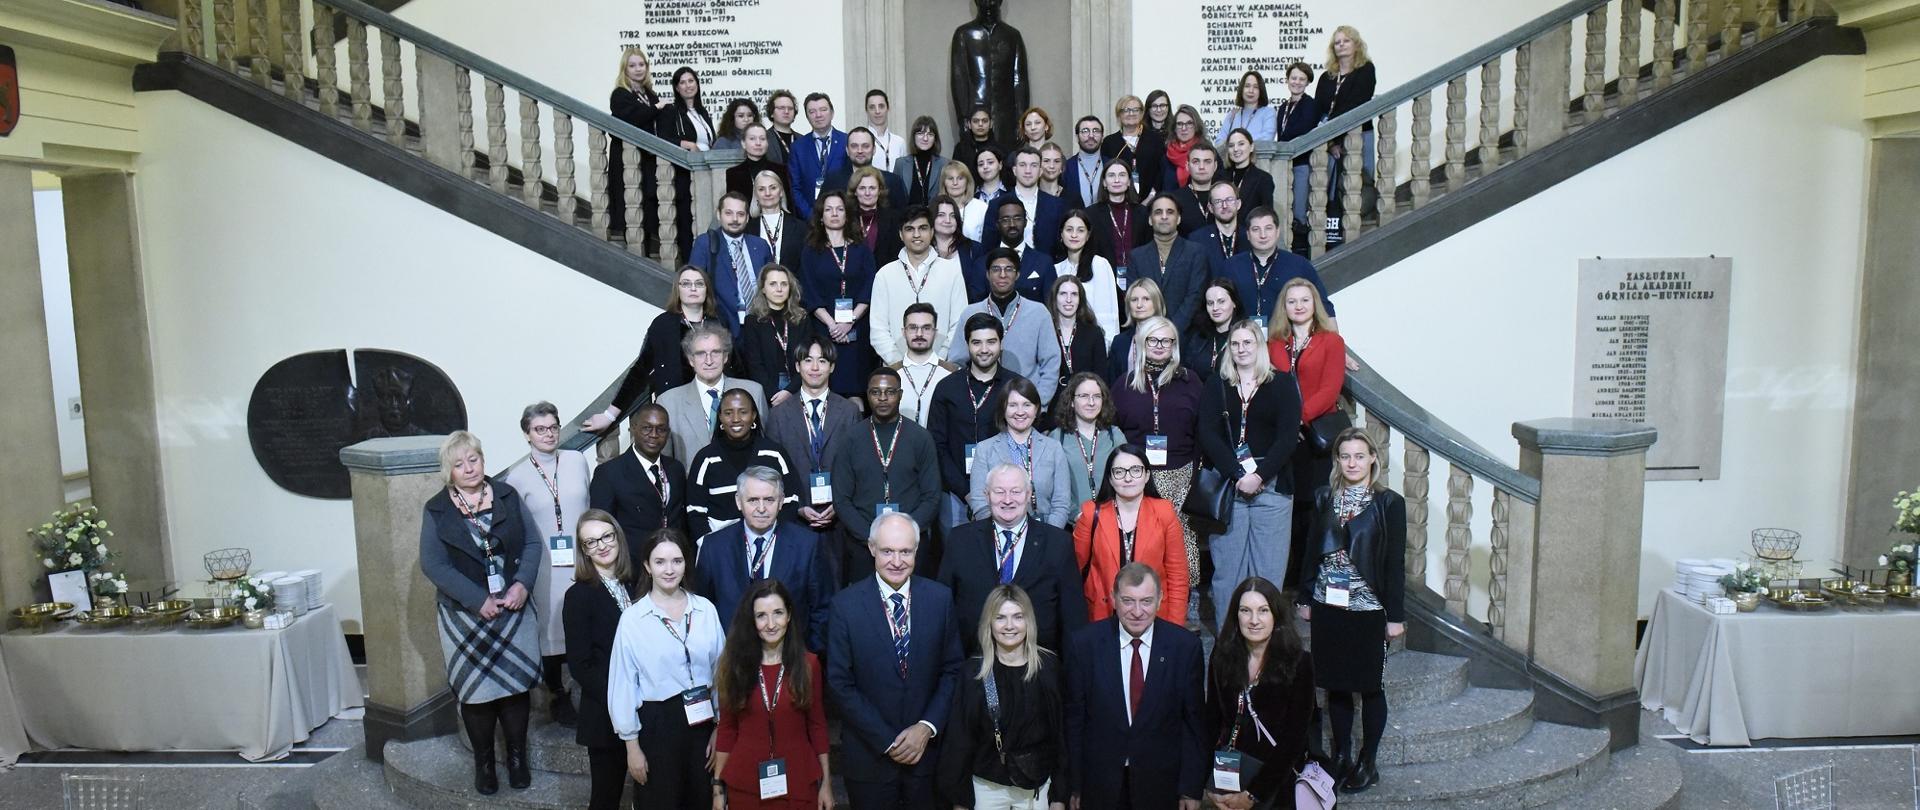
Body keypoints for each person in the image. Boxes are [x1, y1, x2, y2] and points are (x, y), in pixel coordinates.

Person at [421, 431, 541, 793]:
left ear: (482, 460)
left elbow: (533, 543)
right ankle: (484, 763)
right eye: (459, 464)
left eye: (473, 459)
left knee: (516, 687)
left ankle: (517, 758)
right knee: (476, 694)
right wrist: (477, 600)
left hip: (513, 609)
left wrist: (521, 584)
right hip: (465, 617)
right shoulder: (437, 509)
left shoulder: (506, 495)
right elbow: (433, 565)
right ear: (449, 471)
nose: (468, 468)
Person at [827, 513, 965, 809]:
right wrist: (888, 740)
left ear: (917, 551)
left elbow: (953, 669)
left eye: (905, 551)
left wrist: (926, 727)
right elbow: (840, 684)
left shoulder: (939, 599)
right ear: (872, 548)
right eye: (888, 551)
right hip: (869, 759)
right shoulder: (845, 606)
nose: (897, 560)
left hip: (928, 758)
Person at [1296, 428, 1405, 794]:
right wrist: (1306, 596)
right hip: (1329, 604)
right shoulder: (1325, 496)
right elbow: (1312, 549)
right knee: (1336, 686)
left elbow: (1394, 564)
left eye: (1360, 455)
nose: (1353, 462)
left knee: (1370, 687)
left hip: (1369, 607)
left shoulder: (1389, 503)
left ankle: (1368, 761)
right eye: (1346, 456)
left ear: (1373, 458)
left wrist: (1395, 616)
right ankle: (1341, 755)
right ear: (1337, 460)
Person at [1063, 562, 1207, 810]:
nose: (1137, 611)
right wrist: (1074, 785)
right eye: (1128, 601)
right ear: (1113, 598)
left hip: (1162, 788)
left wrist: (1190, 788)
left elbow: (1193, 726)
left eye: (1146, 601)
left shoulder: (1185, 647)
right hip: (1099, 787)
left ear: (1160, 600)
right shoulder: (1084, 645)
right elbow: (1074, 722)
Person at [608, 528, 725, 809]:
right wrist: (631, 746)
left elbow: (721, 672)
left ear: (687, 563)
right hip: (658, 724)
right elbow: (623, 683)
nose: (669, 569)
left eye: (677, 560)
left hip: (702, 723)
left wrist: (720, 726)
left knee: (701, 800)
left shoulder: (705, 609)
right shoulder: (633, 619)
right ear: (647, 566)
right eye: (660, 562)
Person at [1197, 321, 1302, 615]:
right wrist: (1238, 474)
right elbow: (1208, 433)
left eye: (1248, 343)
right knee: (1227, 577)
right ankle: (1229, 652)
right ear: (1228, 349)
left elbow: (1287, 436)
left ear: (1260, 346)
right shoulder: (1216, 384)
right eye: (1235, 344)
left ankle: (1267, 654)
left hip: (1273, 490)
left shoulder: (1281, 383)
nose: (1241, 349)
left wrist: (1259, 476)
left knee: (1268, 577)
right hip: (1229, 490)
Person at [936, 585, 1071, 808]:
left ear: (1029, 621)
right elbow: (959, 741)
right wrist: (959, 801)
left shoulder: (1048, 667)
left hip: (1036, 789)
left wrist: (1059, 796)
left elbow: (1060, 736)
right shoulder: (974, 673)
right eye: (1000, 618)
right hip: (987, 789)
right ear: (989, 623)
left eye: (1018, 617)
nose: (1009, 626)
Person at [1109, 317, 1206, 627]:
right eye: (1153, 341)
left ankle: (1186, 601)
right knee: (1142, 538)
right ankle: (1139, 603)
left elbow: (1201, 430)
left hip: (1182, 472)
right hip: (1137, 478)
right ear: (1141, 343)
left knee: (1182, 536)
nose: (1161, 347)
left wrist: (1195, 474)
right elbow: (1116, 432)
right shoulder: (1123, 384)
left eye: (1167, 341)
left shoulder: (1191, 381)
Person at [502, 402, 590, 727]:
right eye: (540, 429)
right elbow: (516, 529)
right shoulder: (517, 476)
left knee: (584, 622)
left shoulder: (577, 461)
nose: (548, 434)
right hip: (545, 564)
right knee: (552, 627)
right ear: (527, 434)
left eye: (553, 427)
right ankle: (557, 692)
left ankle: (587, 687)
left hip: (581, 557)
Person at [711, 580, 835, 810]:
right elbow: (727, 729)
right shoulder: (734, 666)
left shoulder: (809, 665)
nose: (771, 624)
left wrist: (826, 782)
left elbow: (817, 726)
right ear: (752, 620)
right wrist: (718, 788)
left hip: (798, 782)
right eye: (761, 615)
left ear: (789, 616)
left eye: (778, 613)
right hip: (745, 786)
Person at [943, 466, 1087, 653]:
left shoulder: (1058, 543)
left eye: (1016, 492)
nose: (1008, 500)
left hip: (1038, 663)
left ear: (1028, 495)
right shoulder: (960, 540)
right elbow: (945, 611)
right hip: (975, 661)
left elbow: (1073, 617)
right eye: (999, 492)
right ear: (987, 495)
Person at [694, 466, 834, 651]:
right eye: (753, 500)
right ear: (739, 501)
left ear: (781, 501)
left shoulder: (807, 545)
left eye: (769, 500)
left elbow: (822, 609)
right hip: (731, 660)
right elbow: (702, 610)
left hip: (790, 659)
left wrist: (809, 657)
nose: (761, 508)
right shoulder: (713, 547)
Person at [1207, 576, 1316, 810]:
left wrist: (1254, 794)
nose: (1254, 620)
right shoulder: (1221, 656)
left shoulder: (1298, 663)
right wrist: (1208, 785)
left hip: (1277, 780)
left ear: (1275, 615)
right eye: (1245, 610)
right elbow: (1211, 720)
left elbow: (1295, 738)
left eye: (1263, 611)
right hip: (1230, 772)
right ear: (1236, 616)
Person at [562, 510, 643, 810]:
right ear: (583, 550)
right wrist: (622, 695)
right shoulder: (578, 596)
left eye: (606, 536)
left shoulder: (636, 583)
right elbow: (581, 665)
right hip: (605, 712)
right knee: (605, 799)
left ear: (618, 537)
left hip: (645, 707)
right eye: (591, 542)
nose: (601, 545)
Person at [833, 367, 944, 582]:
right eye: (876, 392)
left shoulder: (921, 438)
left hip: (910, 547)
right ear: (867, 395)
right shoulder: (851, 439)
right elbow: (842, 500)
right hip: (863, 546)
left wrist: (904, 536)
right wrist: (874, 539)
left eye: (890, 392)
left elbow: (932, 497)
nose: (882, 398)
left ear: (900, 395)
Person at [1271, 278, 1346, 587]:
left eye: (1305, 300)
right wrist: (1288, 426)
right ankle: (1289, 581)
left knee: (1316, 511)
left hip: (1315, 441)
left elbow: (1330, 390)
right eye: (1292, 301)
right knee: (1290, 510)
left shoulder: (1331, 341)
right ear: (1284, 307)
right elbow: (1271, 385)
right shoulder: (1275, 343)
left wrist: (1297, 420)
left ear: (1314, 304)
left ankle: (1312, 580)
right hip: (1285, 442)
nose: (1299, 306)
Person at [586, 265, 715, 433]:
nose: (693, 288)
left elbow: (734, 370)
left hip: (712, 408)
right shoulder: (663, 325)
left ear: (706, 290)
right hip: (674, 411)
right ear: (678, 289)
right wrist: (609, 415)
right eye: (686, 283)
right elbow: (640, 370)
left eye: (699, 283)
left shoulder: (717, 324)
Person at [1071, 446, 1188, 623]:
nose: (1128, 478)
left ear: (1147, 475)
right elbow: (1074, 571)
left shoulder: (1164, 512)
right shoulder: (1091, 514)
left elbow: (1178, 576)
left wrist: (1175, 626)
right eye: (1119, 472)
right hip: (1103, 616)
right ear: (1110, 478)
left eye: (1135, 470)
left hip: (1154, 616)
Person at [929, 313, 1020, 535]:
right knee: (957, 556)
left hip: (1005, 493)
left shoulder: (1015, 386)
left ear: (1000, 342)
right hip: (955, 492)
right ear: (967, 344)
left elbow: (1022, 441)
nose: (984, 349)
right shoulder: (947, 387)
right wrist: (966, 492)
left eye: (991, 342)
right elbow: (936, 445)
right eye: (976, 342)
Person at [764, 336, 859, 534]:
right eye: (808, 360)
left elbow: (857, 465)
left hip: (841, 518)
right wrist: (797, 505)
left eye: (822, 361)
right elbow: (772, 470)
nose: (815, 367)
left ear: (832, 367)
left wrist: (841, 503)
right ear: (797, 366)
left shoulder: (850, 411)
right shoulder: (778, 414)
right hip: (794, 518)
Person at [946, 248, 1061, 402]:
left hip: (1025, 404)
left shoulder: (1039, 313)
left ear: (1018, 274)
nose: (1002, 275)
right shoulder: (970, 313)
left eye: (1009, 269)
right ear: (987, 274)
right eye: (996, 269)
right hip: (979, 402)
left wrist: (1037, 403)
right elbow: (957, 362)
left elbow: (1051, 364)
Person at [687, 389, 804, 536]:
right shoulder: (706, 458)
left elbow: (790, 500)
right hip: (720, 548)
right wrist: (709, 546)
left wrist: (777, 540)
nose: (736, 419)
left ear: (754, 415)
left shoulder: (774, 454)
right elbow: (695, 510)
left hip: (771, 543)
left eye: (743, 412)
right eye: (728, 413)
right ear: (720, 417)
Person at [799, 190, 879, 398]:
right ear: (821, 216)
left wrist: (850, 321)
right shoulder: (810, 250)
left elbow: (870, 286)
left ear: (847, 214)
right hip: (824, 331)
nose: (834, 213)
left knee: (857, 393)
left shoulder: (861, 248)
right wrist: (833, 325)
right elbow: (809, 291)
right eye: (828, 209)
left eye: (839, 209)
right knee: (827, 391)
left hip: (857, 329)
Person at [966, 377, 1075, 527]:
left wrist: (1049, 536)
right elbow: (979, 502)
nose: (1020, 412)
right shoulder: (985, 450)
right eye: (1013, 405)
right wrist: (1000, 532)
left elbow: (1061, 503)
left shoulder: (1053, 448)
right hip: (998, 536)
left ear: (1036, 409)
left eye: (1027, 405)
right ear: (1003, 409)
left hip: (1045, 535)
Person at [655, 323, 769, 461]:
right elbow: (665, 462)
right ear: (691, 360)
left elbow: (765, 448)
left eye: (715, 352)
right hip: (691, 481)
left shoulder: (753, 391)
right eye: (701, 354)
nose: (709, 361)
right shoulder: (668, 401)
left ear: (725, 356)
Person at [872, 205, 969, 366]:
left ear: (932, 232)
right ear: (901, 235)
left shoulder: (952, 271)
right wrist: (900, 363)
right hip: (896, 369)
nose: (916, 235)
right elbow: (878, 329)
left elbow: (959, 323)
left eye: (922, 228)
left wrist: (939, 360)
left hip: (943, 367)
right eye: (910, 229)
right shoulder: (884, 274)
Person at [589, 404, 692, 546]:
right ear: (633, 428)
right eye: (647, 428)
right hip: (633, 562)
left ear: (667, 433)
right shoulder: (609, 473)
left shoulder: (676, 469)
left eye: (661, 429)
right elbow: (601, 528)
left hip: (672, 560)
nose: (654, 435)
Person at [1219, 208, 1335, 333]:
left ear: (1277, 231)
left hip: (1288, 343)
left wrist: (1336, 344)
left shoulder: (1299, 265)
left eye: (1268, 228)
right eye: (1256, 229)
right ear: (1248, 234)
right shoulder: (1230, 267)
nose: (1263, 235)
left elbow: (1323, 307)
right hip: (1242, 344)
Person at [687, 192, 776, 335]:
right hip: (721, 327)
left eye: (740, 214)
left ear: (747, 218)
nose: (735, 219)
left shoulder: (760, 245)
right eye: (728, 213)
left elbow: (773, 283)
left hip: (760, 325)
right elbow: (694, 285)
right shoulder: (706, 243)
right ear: (719, 214)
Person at [1048, 372, 1128, 524]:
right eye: (1084, 396)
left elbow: (1126, 480)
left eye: (1097, 396)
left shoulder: (1114, 436)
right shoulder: (1057, 438)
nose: (1091, 402)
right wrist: (1075, 515)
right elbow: (1052, 486)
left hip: (1112, 521)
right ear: (1071, 401)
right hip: (1072, 523)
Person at [1318, 26, 1378, 217]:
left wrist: (1331, 130)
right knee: (1328, 186)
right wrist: (1330, 142)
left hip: (1358, 134)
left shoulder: (1366, 70)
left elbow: (1357, 102)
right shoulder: (1326, 77)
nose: (1341, 45)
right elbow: (1318, 109)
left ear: (1356, 44)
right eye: (1337, 42)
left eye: (1346, 41)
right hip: (1330, 140)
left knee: (1360, 180)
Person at [607, 47, 664, 248]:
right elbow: (632, 119)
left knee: (648, 204)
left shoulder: (650, 94)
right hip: (627, 159)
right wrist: (655, 109)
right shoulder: (620, 94)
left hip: (648, 159)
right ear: (625, 69)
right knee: (630, 204)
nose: (638, 69)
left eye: (641, 65)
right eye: (632, 65)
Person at [657, 66, 716, 258]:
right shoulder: (671, 111)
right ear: (676, 88)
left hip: (707, 173)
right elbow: (662, 139)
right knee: (688, 219)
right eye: (682, 82)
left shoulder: (702, 112)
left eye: (691, 81)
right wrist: (686, 144)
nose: (688, 85)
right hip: (685, 174)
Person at [1128, 194, 1209, 333]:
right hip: (1147, 334)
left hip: (1186, 336)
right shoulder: (1136, 256)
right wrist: (1154, 332)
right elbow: (1134, 298)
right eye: (1158, 212)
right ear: (1150, 220)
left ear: (1178, 219)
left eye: (1170, 212)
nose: (1164, 217)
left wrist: (1170, 330)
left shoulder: (1196, 252)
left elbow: (1195, 296)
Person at [740, 263, 816, 406]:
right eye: (773, 284)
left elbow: (808, 359)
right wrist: (773, 394)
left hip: (800, 384)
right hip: (768, 388)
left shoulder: (802, 318)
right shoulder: (753, 321)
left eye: (784, 284)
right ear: (763, 288)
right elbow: (754, 364)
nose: (779, 289)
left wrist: (790, 391)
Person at [971, 198, 1058, 303]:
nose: (1012, 224)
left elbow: (1051, 307)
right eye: (1005, 219)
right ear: (997, 225)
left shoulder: (1044, 263)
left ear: (1025, 222)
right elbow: (976, 310)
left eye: (1017, 218)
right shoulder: (982, 264)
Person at [1054, 212, 1121, 339]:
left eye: (1080, 230)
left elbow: (1108, 315)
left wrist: (1106, 347)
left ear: (1088, 235)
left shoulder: (1099, 264)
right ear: (1061, 234)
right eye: (1069, 230)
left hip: (1094, 341)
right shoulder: (1056, 269)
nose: (1074, 235)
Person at [892, 303, 958, 426]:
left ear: (935, 332)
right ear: (904, 332)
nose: (919, 334)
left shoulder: (952, 373)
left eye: (926, 328)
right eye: (913, 328)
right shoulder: (890, 374)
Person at [1047, 275, 1109, 406]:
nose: (1069, 300)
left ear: (1080, 299)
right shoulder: (1044, 331)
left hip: (1086, 402)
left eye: (1074, 294)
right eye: (1063, 294)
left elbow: (1101, 377)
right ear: (1055, 298)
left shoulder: (1094, 333)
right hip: (1051, 403)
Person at [1273, 62, 1320, 230]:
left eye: (1302, 79)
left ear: (1307, 82)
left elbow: (1303, 130)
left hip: (1302, 162)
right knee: (1283, 208)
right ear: (1287, 80)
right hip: (1285, 164)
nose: (1297, 82)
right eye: (1294, 78)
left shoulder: (1310, 104)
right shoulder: (1283, 107)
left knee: (1299, 209)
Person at [994, 147, 1065, 255]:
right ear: (1014, 170)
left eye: (1034, 165)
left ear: (1040, 171)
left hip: (1045, 268)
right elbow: (989, 247)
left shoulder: (1056, 205)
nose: (1028, 171)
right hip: (1005, 268)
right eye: (1022, 165)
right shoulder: (996, 204)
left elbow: (1061, 247)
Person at [1087, 159, 1150, 280]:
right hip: (1102, 278)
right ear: (1104, 182)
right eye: (1111, 175)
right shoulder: (1090, 214)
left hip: (1139, 278)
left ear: (1129, 182)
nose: (1117, 180)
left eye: (1122, 175)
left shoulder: (1143, 213)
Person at [788, 92, 847, 219]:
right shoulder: (798, 147)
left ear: (832, 113)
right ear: (807, 116)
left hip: (843, 216)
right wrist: (811, 216)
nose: (818, 115)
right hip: (809, 219)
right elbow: (795, 188)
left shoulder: (846, 141)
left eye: (823, 110)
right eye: (812, 111)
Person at [824, 128, 910, 209]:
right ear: (847, 150)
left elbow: (902, 217)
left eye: (865, 146)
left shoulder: (893, 181)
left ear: (874, 150)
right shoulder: (833, 181)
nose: (860, 151)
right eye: (854, 146)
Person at [1101, 94, 1167, 196]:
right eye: (1126, 110)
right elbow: (1106, 174)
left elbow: (1161, 172)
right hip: (1119, 200)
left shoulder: (1155, 139)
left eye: (1136, 110)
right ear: (1119, 114)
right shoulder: (1109, 142)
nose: (1131, 113)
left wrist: (1150, 198)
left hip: (1152, 201)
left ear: (1141, 113)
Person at [1181, 277, 1244, 382]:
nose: (1215, 308)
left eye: (1221, 301)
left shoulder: (1244, 336)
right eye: (1210, 303)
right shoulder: (1197, 336)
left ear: (1234, 303)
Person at [1105, 277, 1167, 382]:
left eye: (1146, 299)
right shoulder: (1119, 342)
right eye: (1134, 300)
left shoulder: (1169, 339)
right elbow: (1112, 385)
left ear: (1156, 303)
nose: (1139, 305)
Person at [725, 123, 795, 209]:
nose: (758, 143)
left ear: (767, 143)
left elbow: (789, 204)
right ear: (743, 143)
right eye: (752, 139)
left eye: (762, 139)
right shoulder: (733, 174)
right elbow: (734, 207)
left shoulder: (781, 170)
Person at [1165, 140, 1223, 237]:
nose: (1201, 167)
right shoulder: (1174, 200)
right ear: (1187, 166)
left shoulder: (1224, 197)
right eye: (1196, 161)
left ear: (1215, 166)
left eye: (1207, 162)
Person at [849, 166, 907, 260]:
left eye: (872, 188)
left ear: (879, 190)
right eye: (862, 188)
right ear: (855, 191)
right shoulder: (846, 219)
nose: (867, 193)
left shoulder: (895, 219)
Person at [938, 165, 989, 271]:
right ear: (944, 183)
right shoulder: (934, 208)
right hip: (942, 266)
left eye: (960, 178)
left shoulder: (981, 208)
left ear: (967, 182)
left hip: (974, 265)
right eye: (950, 178)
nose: (955, 183)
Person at [893, 116, 949, 208]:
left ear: (935, 139)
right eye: (920, 133)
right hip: (908, 218)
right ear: (914, 136)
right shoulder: (901, 163)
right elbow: (895, 197)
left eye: (930, 134)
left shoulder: (944, 164)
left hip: (934, 217)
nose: (925, 138)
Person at [1220, 128, 1277, 216]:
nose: (1235, 149)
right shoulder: (1221, 176)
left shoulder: (1264, 179)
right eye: (1231, 145)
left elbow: (1267, 214)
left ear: (1251, 147)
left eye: (1241, 144)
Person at [1191, 182, 1249, 265]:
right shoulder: (1197, 240)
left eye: (1229, 200)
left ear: (1238, 204)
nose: (1224, 206)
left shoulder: (1250, 237)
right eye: (1218, 201)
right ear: (1211, 208)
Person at [1061, 116, 1105, 211]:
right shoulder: (1066, 167)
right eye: (1085, 131)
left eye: (1096, 131)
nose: (1091, 136)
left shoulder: (1112, 166)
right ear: (1077, 137)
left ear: (1102, 137)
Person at [1220, 70, 1278, 141]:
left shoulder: (1269, 112)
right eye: (1247, 86)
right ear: (1241, 89)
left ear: (1261, 91)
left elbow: (1267, 138)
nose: (1251, 90)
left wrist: (1237, 142)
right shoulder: (1233, 115)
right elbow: (1218, 142)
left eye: (1256, 87)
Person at [1164, 105, 1209, 192]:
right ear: (1174, 128)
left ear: (1196, 126)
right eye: (1180, 124)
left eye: (1189, 123)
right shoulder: (1165, 155)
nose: (1184, 128)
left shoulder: (1208, 151)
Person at [865, 89, 911, 171]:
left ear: (888, 108)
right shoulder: (861, 142)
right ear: (866, 111)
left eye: (881, 106)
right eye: (872, 107)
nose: (877, 111)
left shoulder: (899, 142)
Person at [951, 107, 998, 185]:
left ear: (991, 124)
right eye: (976, 121)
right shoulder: (960, 149)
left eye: (985, 121)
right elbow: (956, 174)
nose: (980, 124)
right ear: (969, 124)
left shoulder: (1000, 149)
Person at [764, 89, 800, 165]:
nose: (786, 111)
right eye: (781, 108)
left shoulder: (803, 139)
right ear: (771, 113)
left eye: (790, 108)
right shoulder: (763, 138)